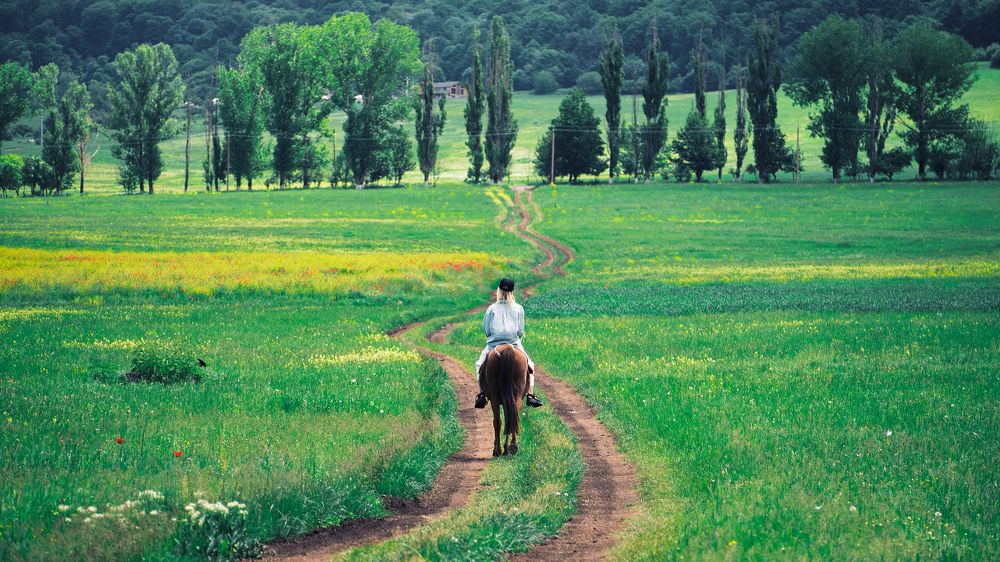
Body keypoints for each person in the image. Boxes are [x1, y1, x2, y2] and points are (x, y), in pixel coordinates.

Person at [474, 277, 543, 409]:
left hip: (493, 345)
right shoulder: (518, 308)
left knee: (479, 364)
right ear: (512, 292)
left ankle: (482, 394)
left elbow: (487, 330)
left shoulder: (492, 309)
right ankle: (530, 395)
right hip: (514, 344)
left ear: (499, 291)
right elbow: (520, 331)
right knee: (530, 365)